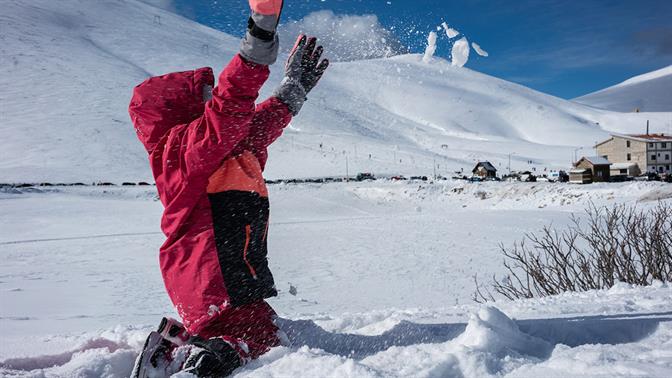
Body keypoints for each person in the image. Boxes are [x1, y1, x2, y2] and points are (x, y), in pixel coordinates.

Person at [128, 1, 329, 376]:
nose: (210, 104)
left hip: (225, 271)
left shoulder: (224, 146)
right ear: (181, 110)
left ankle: (177, 343)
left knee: (265, 332)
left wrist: (295, 89)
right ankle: (196, 363)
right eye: (204, 100)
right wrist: (260, 35)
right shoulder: (183, 148)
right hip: (210, 275)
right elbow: (231, 106)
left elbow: (258, 124)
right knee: (247, 339)